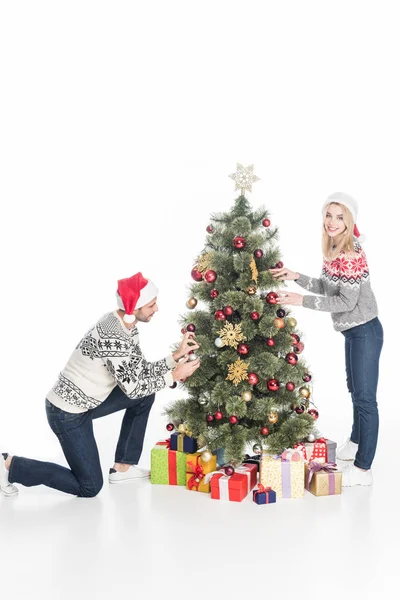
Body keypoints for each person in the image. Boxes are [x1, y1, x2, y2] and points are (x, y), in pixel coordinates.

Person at [0, 272, 200, 497]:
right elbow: (132, 387)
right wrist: (173, 375)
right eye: (152, 304)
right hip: (66, 413)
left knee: (145, 396)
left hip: (88, 402)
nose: (157, 309)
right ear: (134, 306)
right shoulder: (113, 336)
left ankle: (123, 467)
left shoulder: (126, 325)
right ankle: (10, 466)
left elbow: (139, 372)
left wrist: (175, 356)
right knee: (90, 487)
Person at [270, 192, 383, 487]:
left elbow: (345, 302)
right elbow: (327, 287)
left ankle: (363, 470)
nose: (332, 222)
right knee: (355, 390)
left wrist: (300, 300)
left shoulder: (350, 254)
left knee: (365, 399)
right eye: (329, 215)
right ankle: (356, 443)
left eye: (339, 217)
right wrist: (296, 276)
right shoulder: (333, 248)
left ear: (349, 221)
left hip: (365, 331)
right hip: (353, 332)